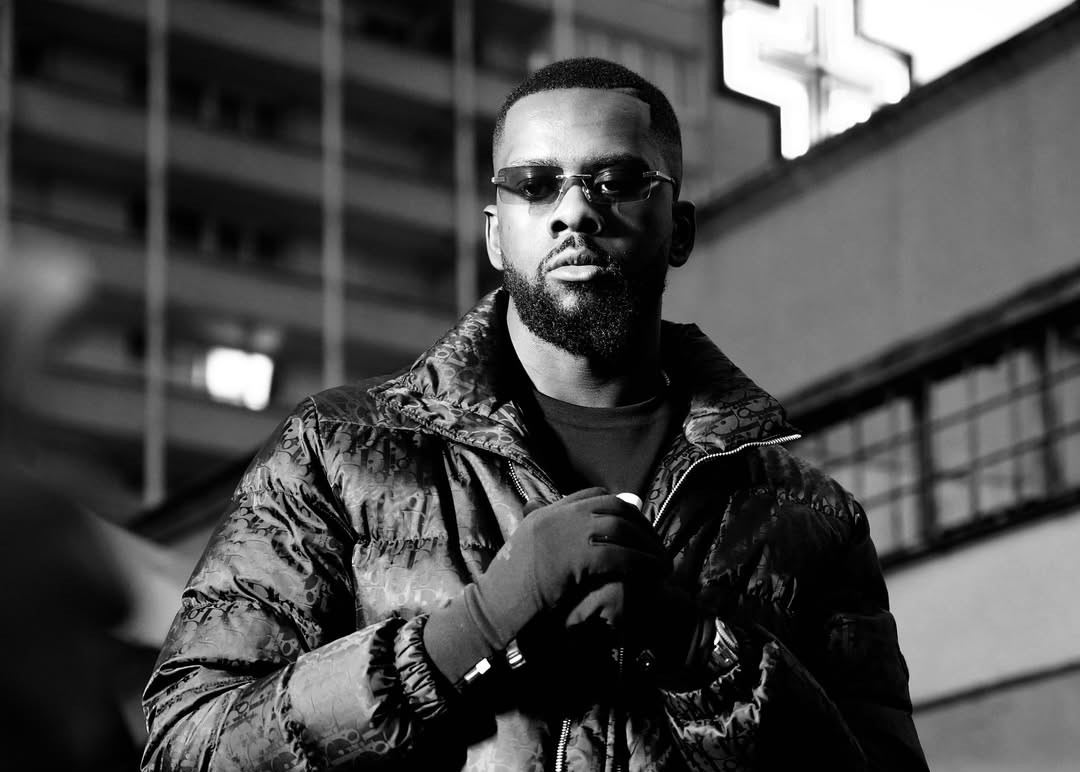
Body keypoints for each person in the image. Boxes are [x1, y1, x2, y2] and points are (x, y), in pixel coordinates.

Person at [142, 57, 929, 771]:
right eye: (535, 183)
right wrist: (468, 632)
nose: (575, 211)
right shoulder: (336, 452)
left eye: (617, 179)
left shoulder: (809, 515)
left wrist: (700, 649)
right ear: (496, 234)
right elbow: (187, 748)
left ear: (679, 229)